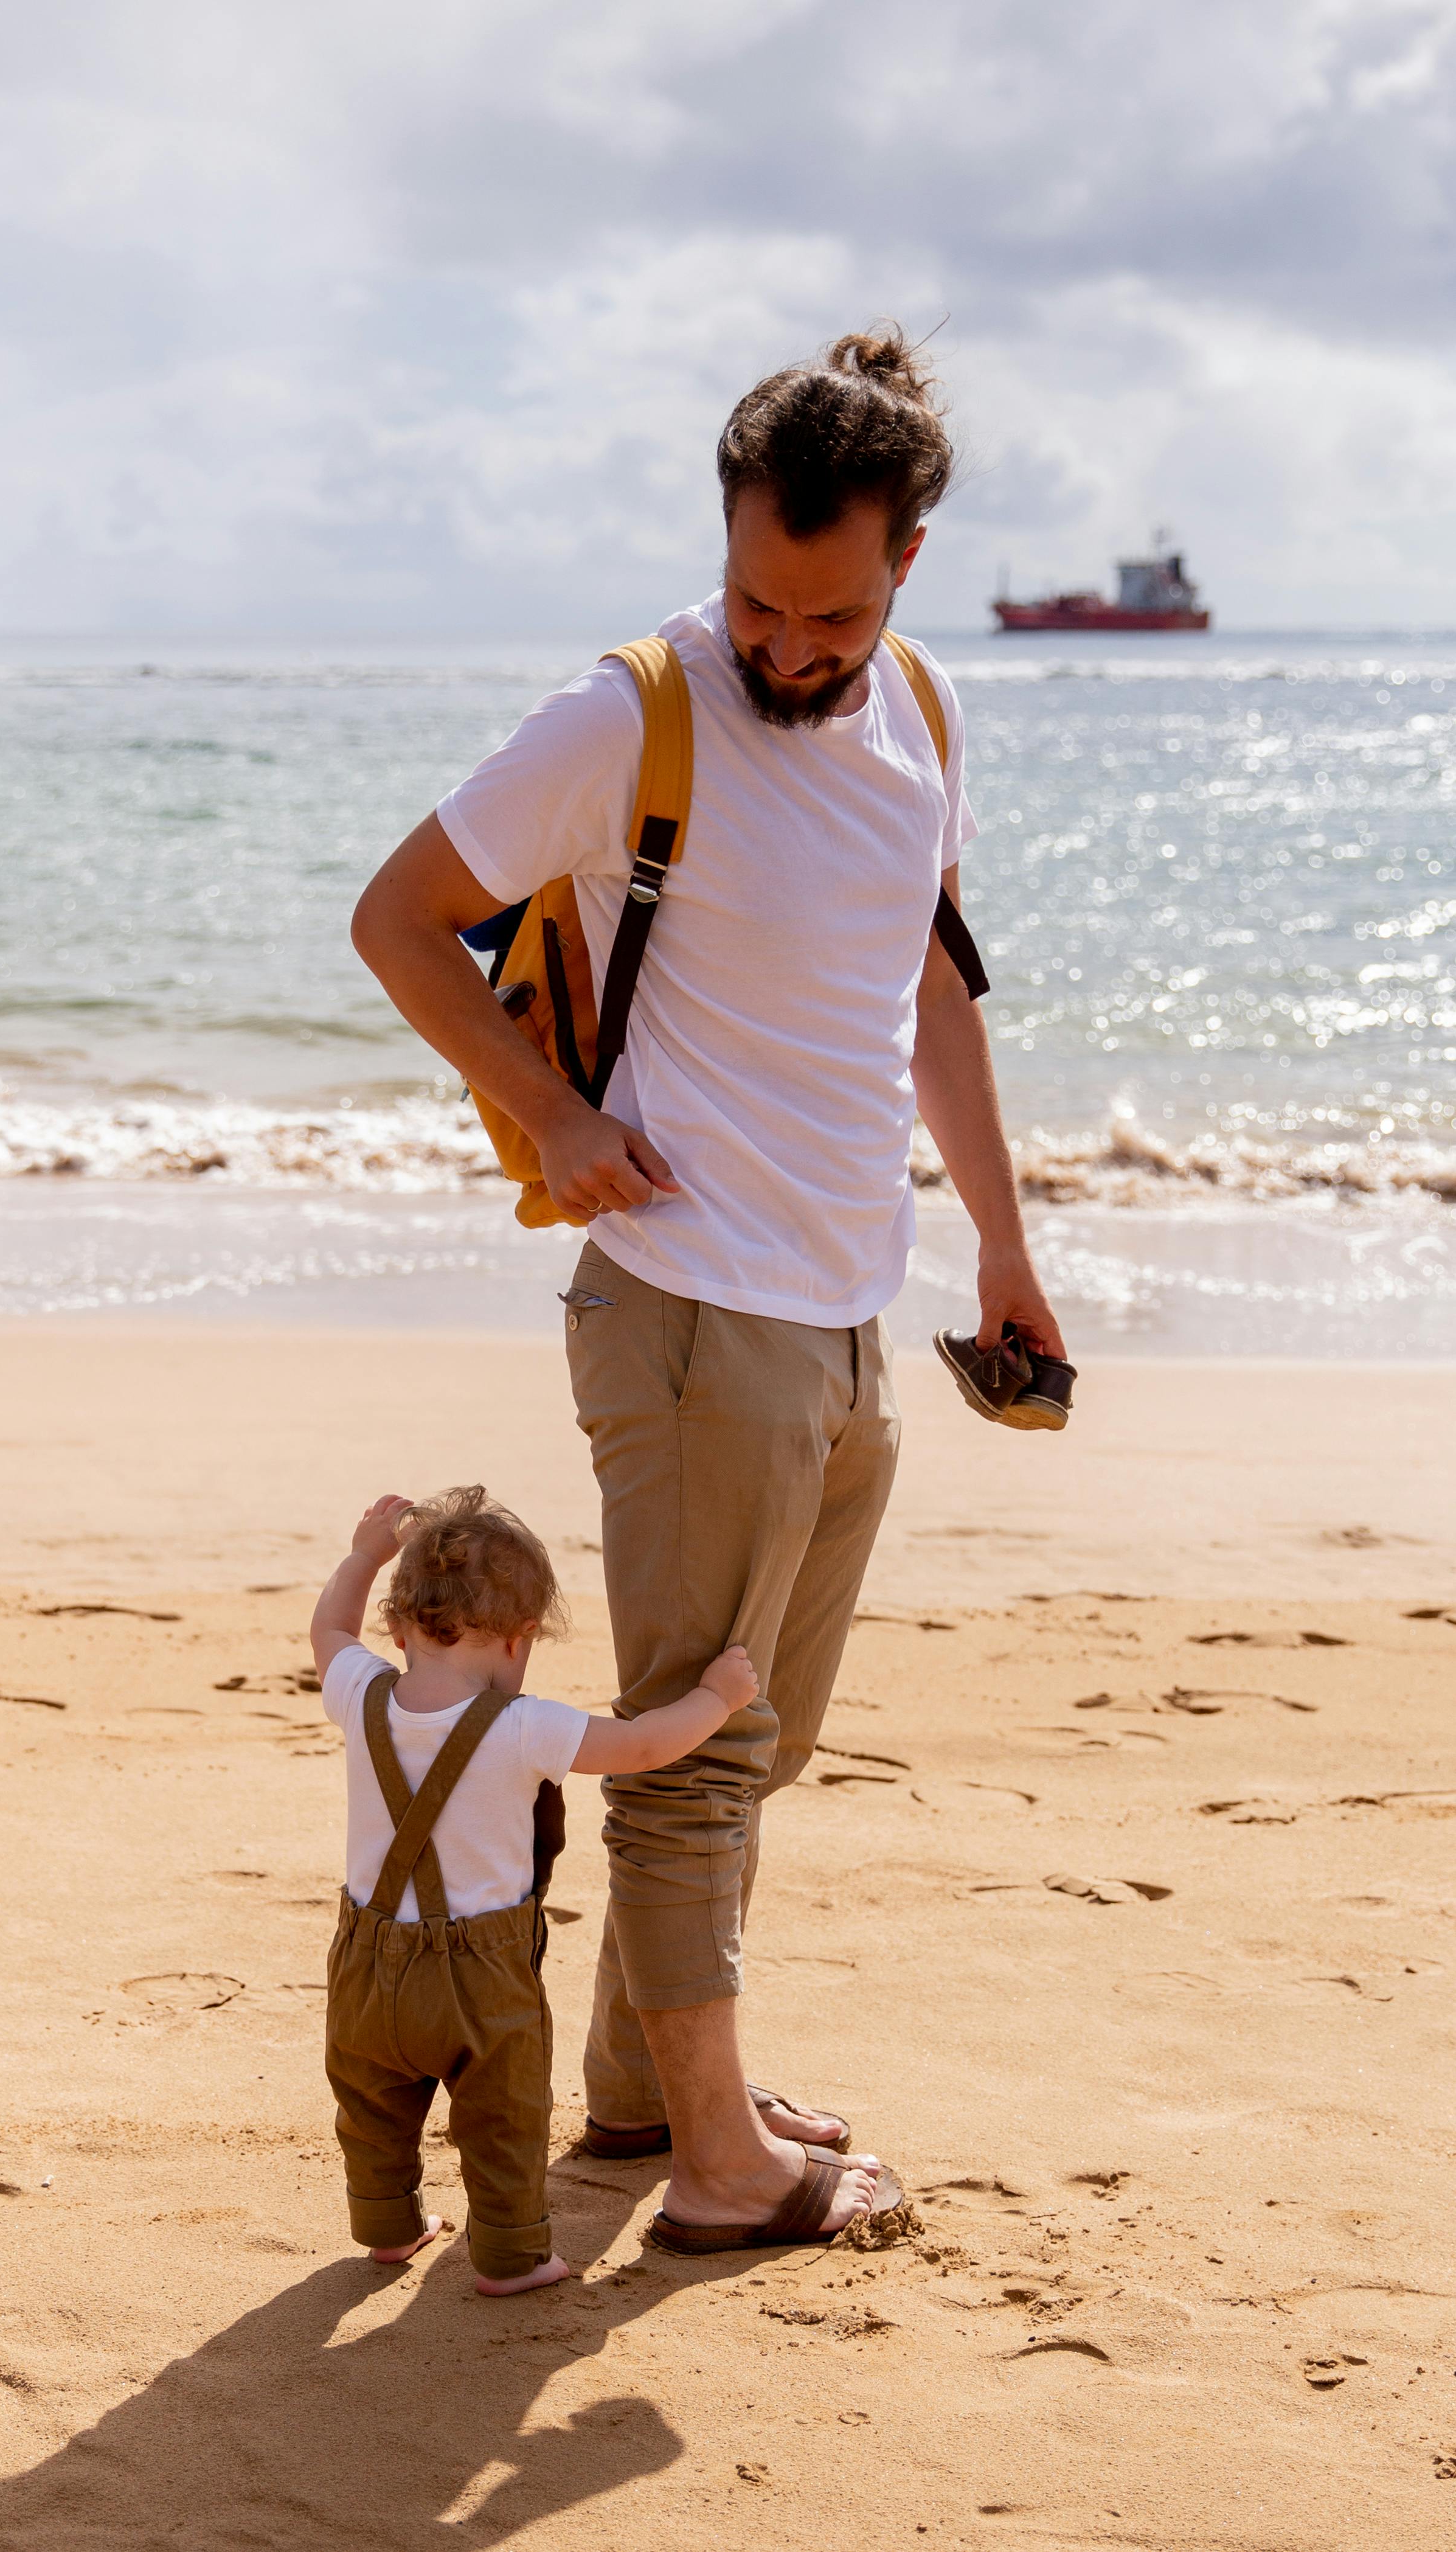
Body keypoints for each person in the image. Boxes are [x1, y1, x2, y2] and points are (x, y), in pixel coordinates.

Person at [351, 327, 1065, 2251]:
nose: (785, 644)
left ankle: (642, 2097)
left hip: (847, 1311)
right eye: (757, 594)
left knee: (757, 1739)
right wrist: (550, 1108)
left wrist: (998, 1240)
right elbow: (397, 918)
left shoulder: (915, 700)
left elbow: (925, 993)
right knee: (696, 1737)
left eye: (824, 611)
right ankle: (718, 2169)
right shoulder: (629, 714)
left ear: (903, 560)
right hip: (683, 1305)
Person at [311, 1485, 853, 2292]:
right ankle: (509, 2255)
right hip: (478, 1979)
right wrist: (717, 1697)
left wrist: (363, 1555)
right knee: (502, 2118)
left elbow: (326, 1630)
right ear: (521, 1638)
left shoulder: (361, 1693)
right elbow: (640, 1747)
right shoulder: (523, 1725)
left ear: (398, 1628)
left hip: (363, 1963)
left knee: (372, 2106)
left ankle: (387, 2228)